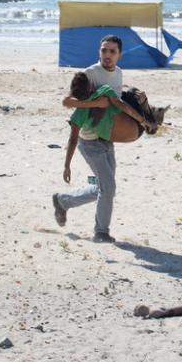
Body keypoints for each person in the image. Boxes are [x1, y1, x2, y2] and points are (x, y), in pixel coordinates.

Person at [52, 35, 139, 243]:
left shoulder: (118, 73)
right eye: (103, 51)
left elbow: (117, 105)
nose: (107, 55)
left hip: (107, 138)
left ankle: (63, 201)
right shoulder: (90, 73)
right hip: (89, 140)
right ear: (99, 52)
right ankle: (101, 232)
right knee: (108, 188)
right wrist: (96, 105)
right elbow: (68, 102)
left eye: (112, 51)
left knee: (103, 187)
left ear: (119, 54)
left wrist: (141, 121)